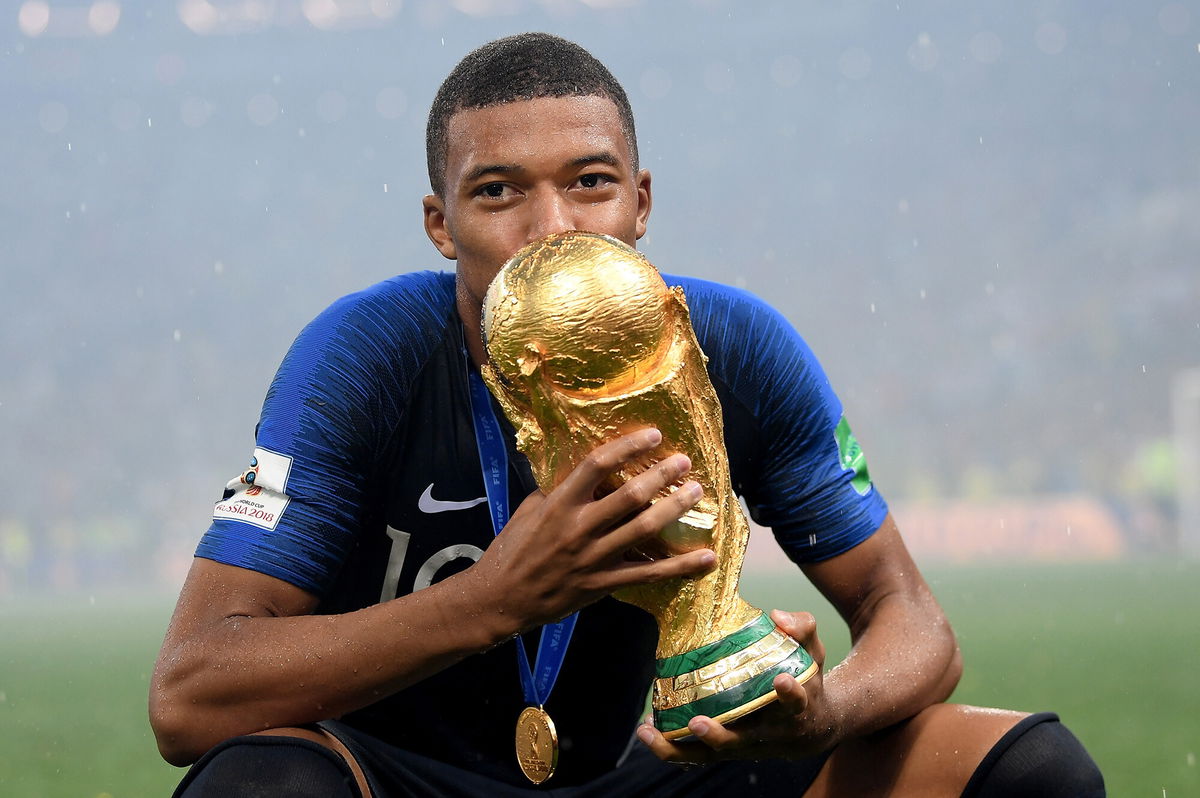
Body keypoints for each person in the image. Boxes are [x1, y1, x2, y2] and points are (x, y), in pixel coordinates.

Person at [150, 33, 1105, 797]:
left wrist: (826, 713)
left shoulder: (732, 346)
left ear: (638, 204)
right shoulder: (365, 357)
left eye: (590, 183)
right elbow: (190, 693)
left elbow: (913, 621)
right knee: (258, 786)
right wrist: (490, 603)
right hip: (401, 779)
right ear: (441, 225)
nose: (552, 228)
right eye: (497, 192)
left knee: (1032, 772)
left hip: (659, 771)